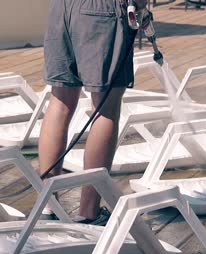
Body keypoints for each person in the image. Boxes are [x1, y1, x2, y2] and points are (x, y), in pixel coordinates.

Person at [39, 0, 148, 225]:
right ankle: (89, 213)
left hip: (62, 8)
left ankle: (48, 204)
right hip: (101, 10)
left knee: (60, 101)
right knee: (105, 107)